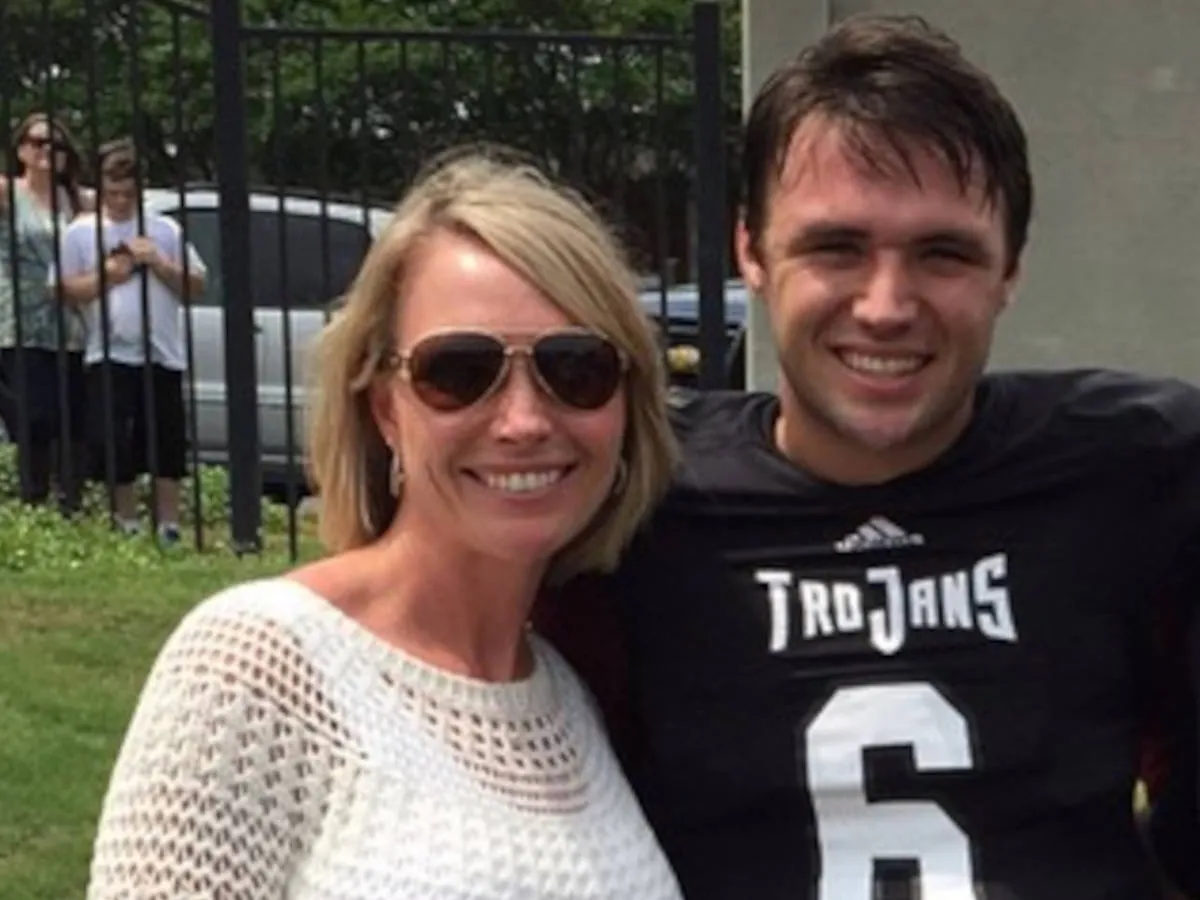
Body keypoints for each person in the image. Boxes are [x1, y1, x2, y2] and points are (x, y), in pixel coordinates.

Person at [534, 13, 1200, 900]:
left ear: (1011, 268)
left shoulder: (1141, 469)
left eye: (944, 253)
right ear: (751, 250)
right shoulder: (637, 493)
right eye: (836, 247)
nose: (886, 305)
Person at [84, 149, 684, 899]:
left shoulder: (569, 698)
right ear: (385, 408)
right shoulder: (253, 669)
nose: (525, 420)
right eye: (459, 371)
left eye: (577, 368)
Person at [55, 139, 205, 543]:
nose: (121, 201)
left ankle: (169, 525)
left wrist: (157, 261)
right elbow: (65, 290)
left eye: (128, 194)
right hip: (108, 349)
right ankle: (126, 521)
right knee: (111, 439)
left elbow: (196, 284)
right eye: (113, 193)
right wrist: (110, 275)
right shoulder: (80, 233)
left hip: (162, 351)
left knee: (165, 439)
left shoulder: (164, 229)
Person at [0, 112, 94, 511]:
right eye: (38, 143)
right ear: (21, 150)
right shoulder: (8, 193)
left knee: (71, 417)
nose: (47, 152)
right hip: (20, 319)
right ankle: (33, 500)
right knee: (32, 416)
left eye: (56, 145)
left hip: (72, 321)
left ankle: (70, 501)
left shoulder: (80, 199)